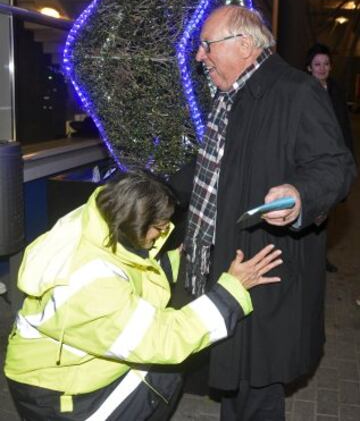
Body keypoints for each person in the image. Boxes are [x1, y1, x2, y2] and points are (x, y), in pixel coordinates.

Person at [172, 5, 357, 421]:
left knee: (258, 383)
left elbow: (337, 166)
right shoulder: (230, 96)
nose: (200, 56)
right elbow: (211, 168)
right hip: (228, 261)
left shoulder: (296, 91)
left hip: (268, 267)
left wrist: (299, 193)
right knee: (237, 377)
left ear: (243, 45)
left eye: (207, 46)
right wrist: (159, 191)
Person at [4, 171, 282, 421]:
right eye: (160, 227)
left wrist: (176, 259)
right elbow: (165, 339)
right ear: (137, 222)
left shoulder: (96, 220)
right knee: (163, 373)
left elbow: (130, 271)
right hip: (56, 396)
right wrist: (230, 292)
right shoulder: (93, 288)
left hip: (54, 368)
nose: (163, 232)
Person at [306, 43, 356, 273]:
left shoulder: (335, 90)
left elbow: (344, 126)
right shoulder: (303, 91)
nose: (322, 68)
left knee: (328, 210)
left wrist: (350, 159)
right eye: (317, 64)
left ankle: (320, 257)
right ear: (309, 68)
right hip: (310, 160)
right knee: (311, 210)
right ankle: (305, 257)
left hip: (333, 160)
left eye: (326, 64)